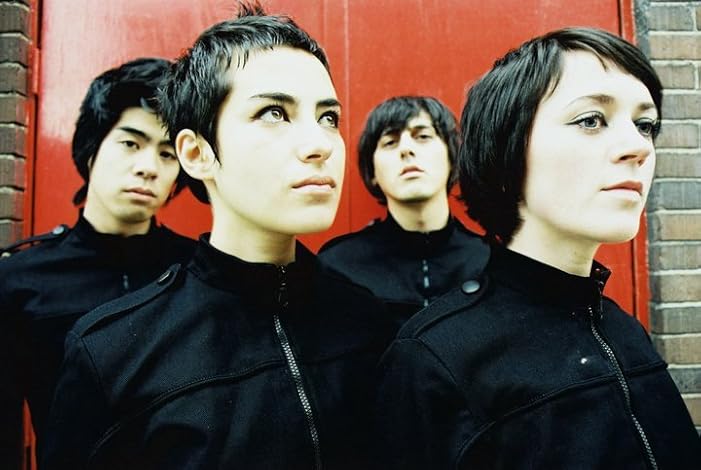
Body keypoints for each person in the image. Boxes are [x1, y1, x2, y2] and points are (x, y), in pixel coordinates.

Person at [41, 4, 393, 469]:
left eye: (328, 118)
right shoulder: (112, 354)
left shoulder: (369, 321)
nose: (319, 144)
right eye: (274, 112)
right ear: (196, 153)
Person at [375, 27, 701, 469]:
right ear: (508, 149)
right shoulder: (435, 361)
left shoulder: (625, 331)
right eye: (591, 120)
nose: (637, 147)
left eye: (645, 125)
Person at [0, 58, 196, 468]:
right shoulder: (20, 279)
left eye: (166, 153)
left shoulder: (197, 268)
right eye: (131, 144)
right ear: (92, 150)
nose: (148, 168)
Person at [319, 96, 488, 324]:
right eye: (390, 142)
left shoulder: (491, 263)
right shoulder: (337, 268)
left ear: (451, 157)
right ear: (372, 172)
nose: (406, 149)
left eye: (423, 136)